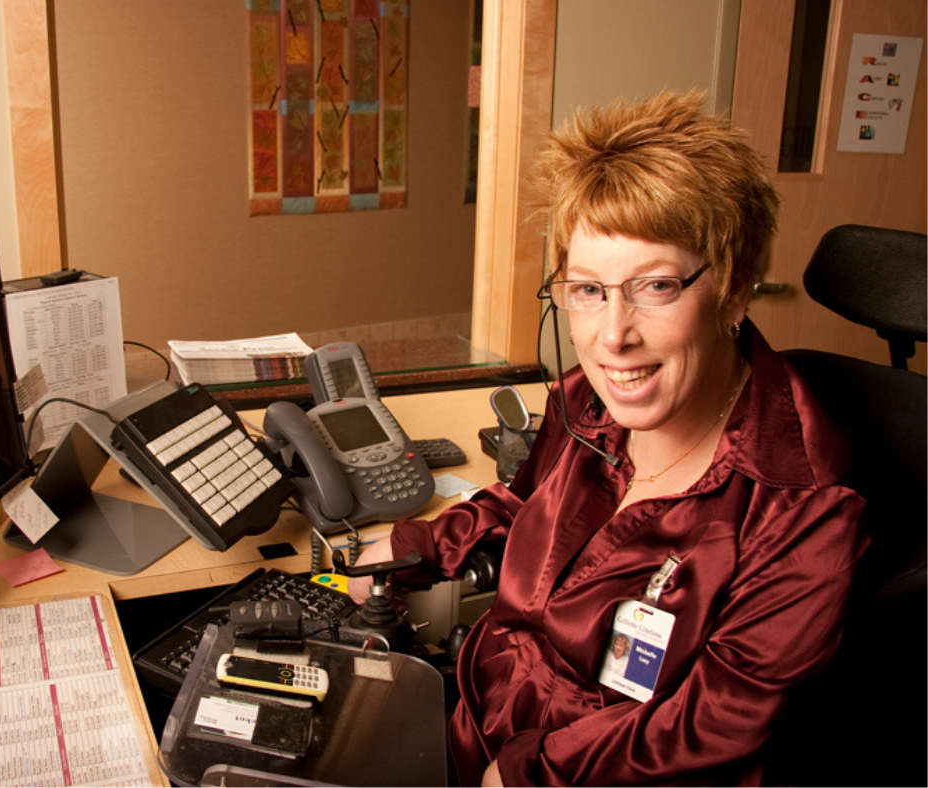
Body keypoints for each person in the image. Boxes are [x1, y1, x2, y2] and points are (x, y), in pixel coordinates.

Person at [349, 91, 867, 786]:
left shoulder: (802, 506)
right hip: (474, 727)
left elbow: (713, 723)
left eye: (655, 286)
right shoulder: (586, 403)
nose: (612, 336)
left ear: (735, 290)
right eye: (588, 290)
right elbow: (524, 499)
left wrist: (529, 772)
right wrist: (411, 549)